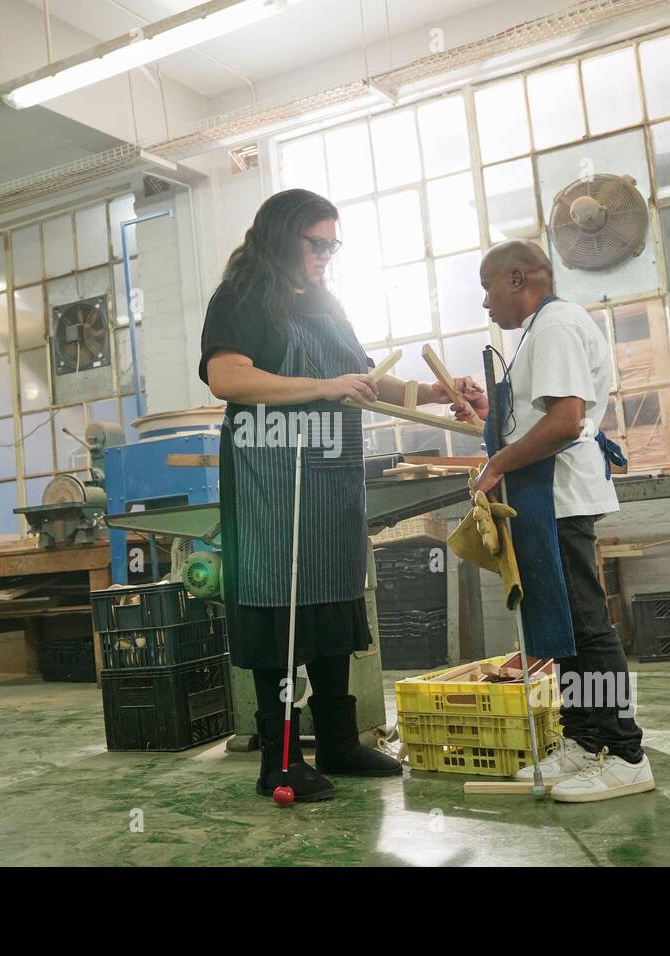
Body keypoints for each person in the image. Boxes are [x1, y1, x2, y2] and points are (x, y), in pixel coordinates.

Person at [199, 188, 475, 802]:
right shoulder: (243, 296)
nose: (326, 255)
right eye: (316, 243)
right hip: (268, 479)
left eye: (333, 245)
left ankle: (341, 742)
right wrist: (324, 385)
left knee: (329, 603)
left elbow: (363, 383)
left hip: (328, 477)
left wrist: (432, 394)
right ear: (280, 236)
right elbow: (228, 376)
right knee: (281, 613)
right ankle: (279, 758)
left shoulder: (325, 301)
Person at [461, 239, 654, 803]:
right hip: (544, 498)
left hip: (560, 497)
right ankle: (584, 737)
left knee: (587, 626)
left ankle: (624, 752)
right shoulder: (538, 333)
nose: (485, 302)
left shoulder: (555, 326)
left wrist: (497, 463)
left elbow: (567, 421)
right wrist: (487, 417)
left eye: (487, 287)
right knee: (563, 628)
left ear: (518, 278)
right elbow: (538, 416)